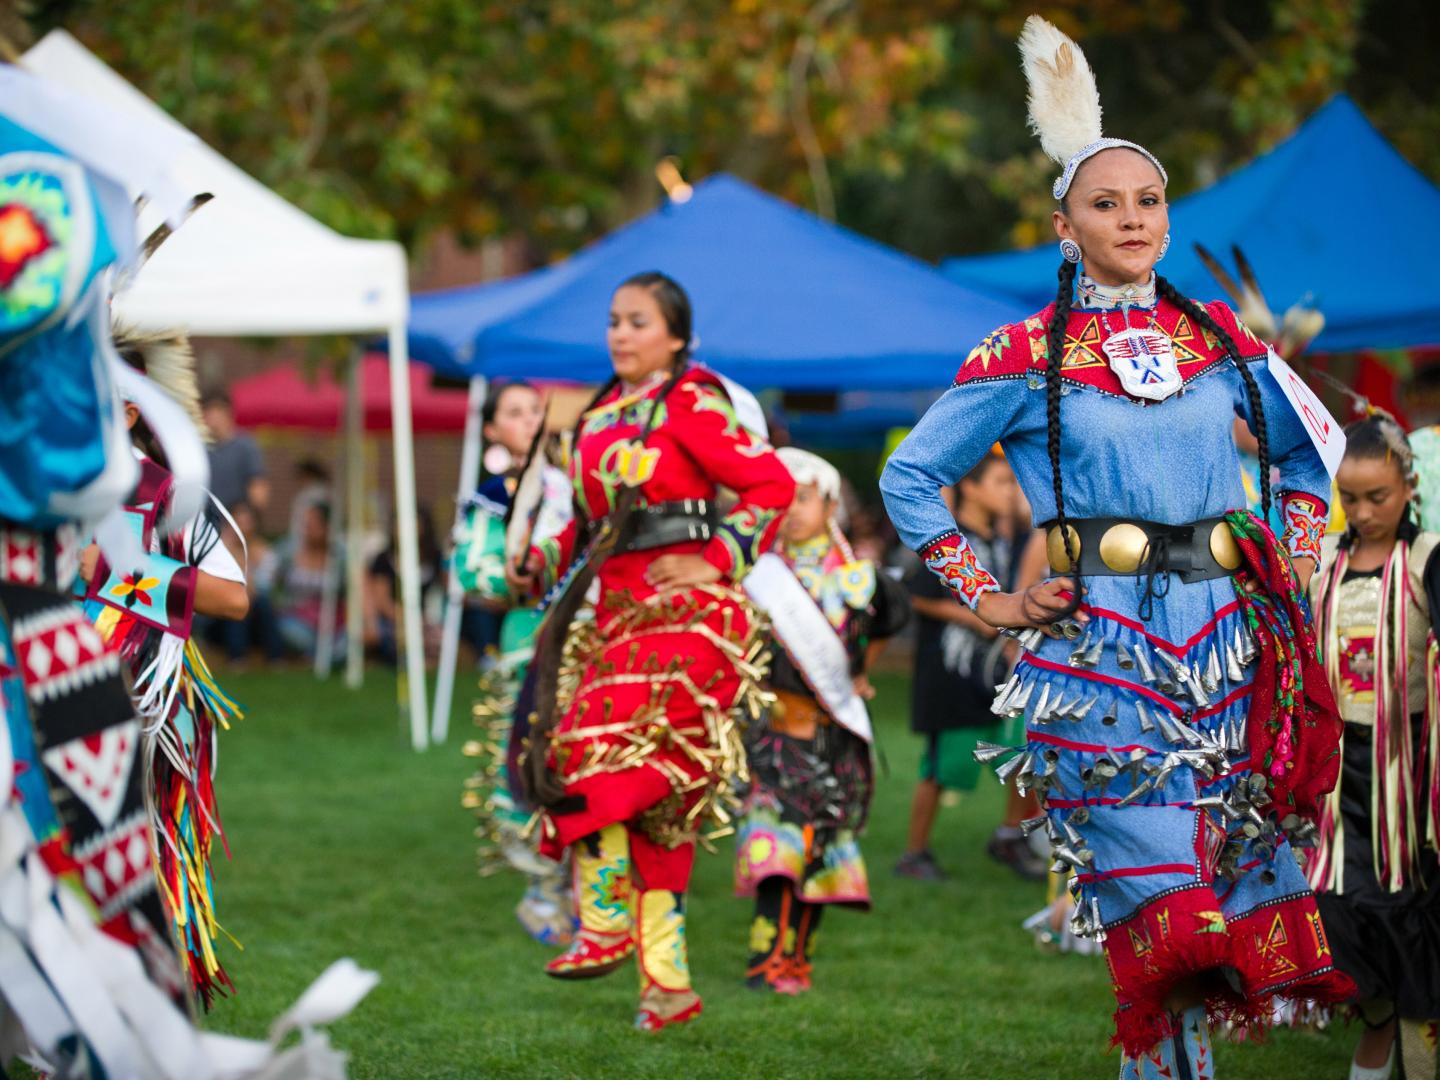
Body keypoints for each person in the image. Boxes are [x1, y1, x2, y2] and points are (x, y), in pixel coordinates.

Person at [879, 18, 1351, 1077]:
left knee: (1230, 878)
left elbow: (1308, 456)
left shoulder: (1218, 338)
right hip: (1106, 645)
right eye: (1107, 203)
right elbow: (910, 474)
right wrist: (987, 597)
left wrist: (1290, 557)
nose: (1132, 218)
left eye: (1148, 201)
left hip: (1231, 643)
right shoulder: (1022, 352)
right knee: (1165, 908)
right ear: (1064, 225)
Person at [512, 272, 794, 1031]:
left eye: (637, 322)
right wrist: (541, 558)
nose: (620, 335)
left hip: (690, 617)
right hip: (619, 614)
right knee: (659, 807)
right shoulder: (604, 412)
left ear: (675, 336)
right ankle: (665, 984)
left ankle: (602, 922)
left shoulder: (691, 402)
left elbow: (770, 485)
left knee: (591, 756)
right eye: (613, 322)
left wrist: (718, 557)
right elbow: (583, 518)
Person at [80, 324, 250, 1006]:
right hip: (39, 702)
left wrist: (126, 571)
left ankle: (136, 1014)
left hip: (144, 718)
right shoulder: (27, 488)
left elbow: (234, 600)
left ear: (128, 408)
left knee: (134, 870)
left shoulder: (168, 497)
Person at [735, 448, 907, 993]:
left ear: (830, 503)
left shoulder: (858, 578)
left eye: (803, 498)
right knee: (776, 851)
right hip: (772, 734)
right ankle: (765, 958)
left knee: (817, 852)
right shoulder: (758, 576)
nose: (791, 509)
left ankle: (798, 958)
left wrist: (860, 674)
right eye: (781, 497)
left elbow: (887, 623)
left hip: (830, 734)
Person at [1309, 414, 1440, 1080]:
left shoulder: (1428, 560)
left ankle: (1414, 1053)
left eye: (1377, 498)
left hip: (1410, 779)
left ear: (1409, 485)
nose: (1362, 513)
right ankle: (1379, 1023)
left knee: (1406, 913)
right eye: (1350, 499)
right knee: (1337, 912)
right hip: (1338, 784)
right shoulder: (1326, 564)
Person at [454, 379, 578, 945]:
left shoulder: (572, 485)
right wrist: (516, 576)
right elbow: (469, 569)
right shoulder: (492, 497)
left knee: (583, 758)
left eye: (535, 410)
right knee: (529, 758)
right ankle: (541, 887)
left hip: (583, 637)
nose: (529, 420)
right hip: (528, 636)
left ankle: (588, 884)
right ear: (492, 428)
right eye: (514, 412)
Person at [894, 452, 1042, 882]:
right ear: (971, 487)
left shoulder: (996, 539)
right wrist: (973, 614)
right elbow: (914, 594)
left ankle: (1010, 836)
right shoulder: (945, 541)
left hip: (989, 675)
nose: (1010, 492)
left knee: (1021, 754)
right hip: (948, 676)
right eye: (1001, 483)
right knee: (941, 768)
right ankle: (914, 852)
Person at [203, 389, 269, 517]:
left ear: (228, 413)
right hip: (203, 527)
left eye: (216, 411)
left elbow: (258, 492)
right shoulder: (199, 449)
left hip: (235, 527)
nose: (212, 418)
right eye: (208, 412)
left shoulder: (245, 447)